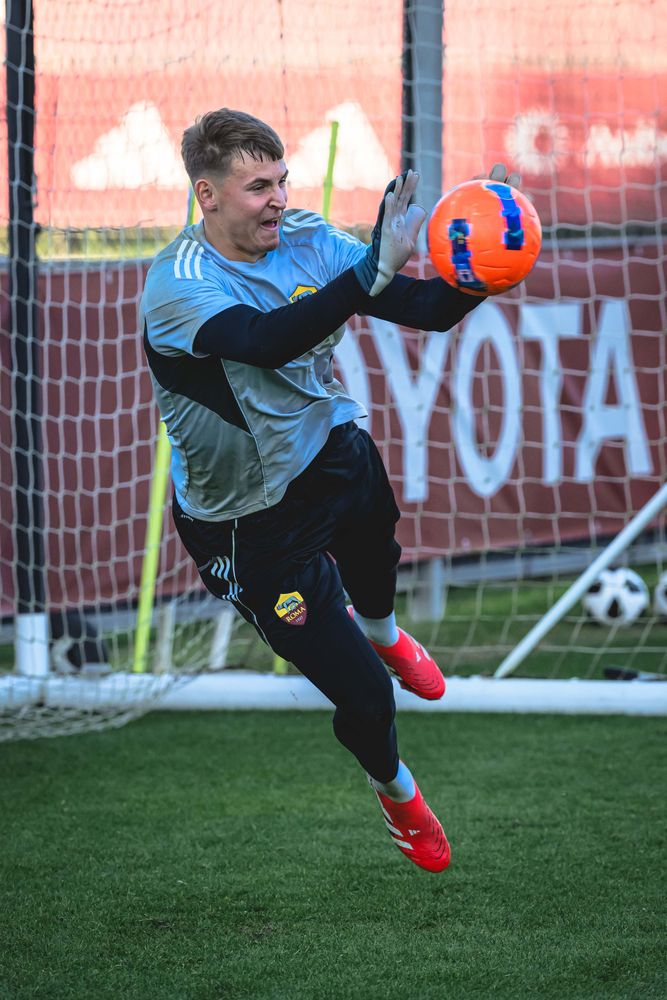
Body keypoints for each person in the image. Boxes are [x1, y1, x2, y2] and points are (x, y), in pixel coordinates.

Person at [140, 108, 518, 873]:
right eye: (257, 187)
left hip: (327, 449)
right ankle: (399, 795)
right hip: (246, 525)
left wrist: (486, 257)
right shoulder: (177, 285)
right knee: (366, 702)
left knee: (378, 543)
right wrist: (360, 278)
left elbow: (426, 309)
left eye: (282, 180)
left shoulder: (308, 237)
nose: (278, 199)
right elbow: (262, 341)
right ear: (206, 196)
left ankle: (384, 633)